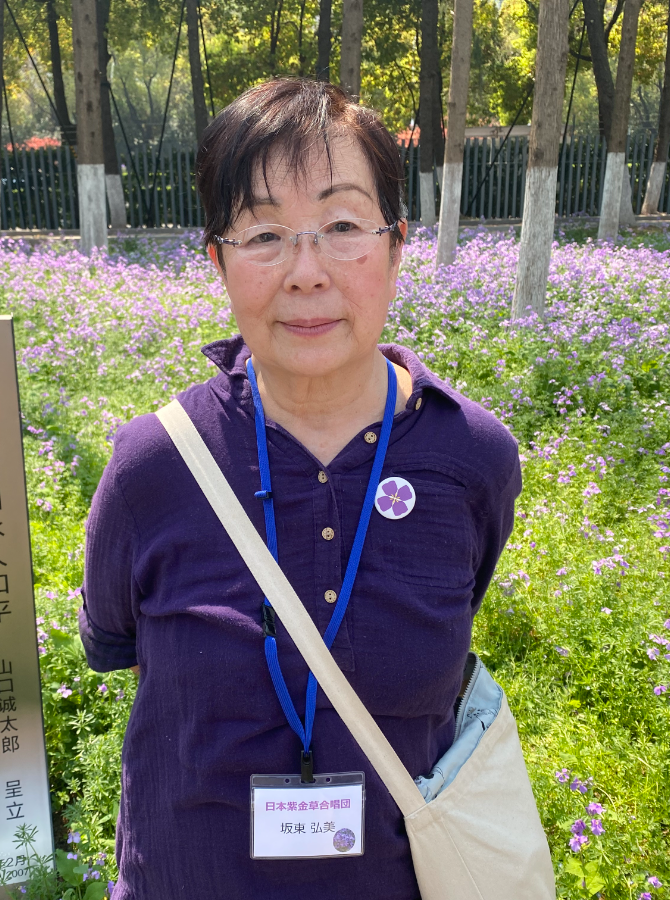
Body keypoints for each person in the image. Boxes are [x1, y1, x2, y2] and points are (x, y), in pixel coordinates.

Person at [79, 78, 521, 900]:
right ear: (218, 260)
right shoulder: (153, 466)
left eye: (343, 226)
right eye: (264, 234)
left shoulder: (470, 458)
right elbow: (118, 643)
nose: (306, 272)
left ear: (396, 247)